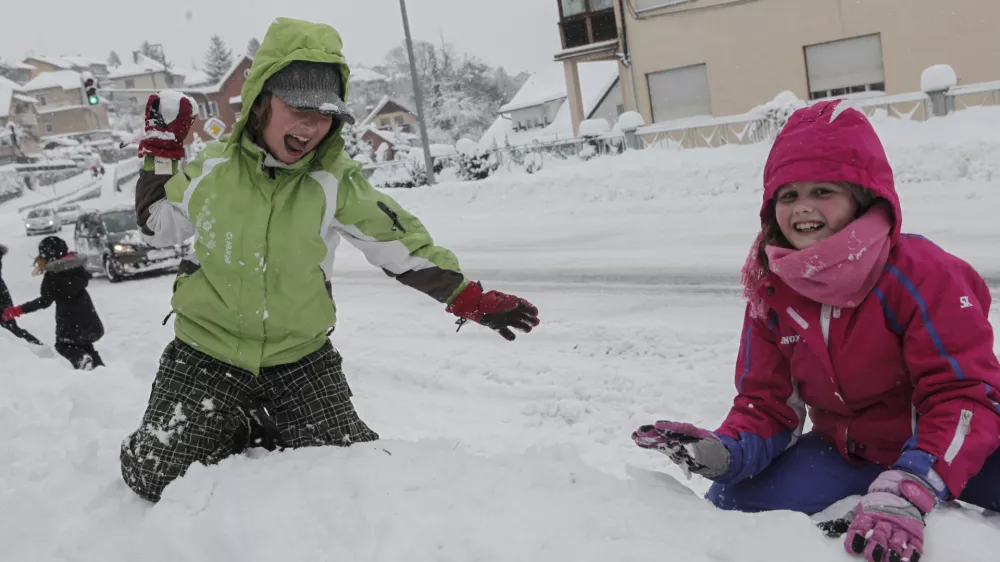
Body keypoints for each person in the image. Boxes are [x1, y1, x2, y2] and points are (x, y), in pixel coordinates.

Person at [119, 17, 540, 503]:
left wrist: (470, 298)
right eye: (297, 106)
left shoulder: (334, 180)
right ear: (260, 101)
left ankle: (262, 416)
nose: (311, 124)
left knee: (353, 474)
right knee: (153, 476)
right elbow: (157, 224)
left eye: (324, 113)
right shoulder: (214, 170)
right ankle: (236, 422)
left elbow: (397, 242)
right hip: (206, 353)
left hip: (300, 357)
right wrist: (162, 153)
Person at [632, 100, 1000, 562]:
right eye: (788, 195)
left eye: (823, 190)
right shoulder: (772, 287)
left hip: (960, 451)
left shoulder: (925, 274)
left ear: (863, 197)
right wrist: (723, 453)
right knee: (728, 510)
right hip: (849, 454)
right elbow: (766, 404)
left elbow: (963, 397)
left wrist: (911, 486)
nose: (803, 207)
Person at [2, 236, 105, 369]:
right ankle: (99, 367)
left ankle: (82, 360)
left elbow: (44, 301)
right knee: (83, 343)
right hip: (90, 320)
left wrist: (18, 310)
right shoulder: (77, 268)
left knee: (63, 345)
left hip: (69, 322)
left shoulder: (52, 276)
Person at [0, 243, 43, 346]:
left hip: (2, 304)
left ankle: (37, 347)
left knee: (12, 331)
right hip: (3, 301)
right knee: (12, 331)